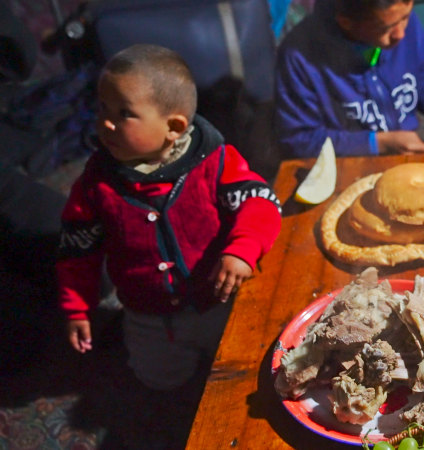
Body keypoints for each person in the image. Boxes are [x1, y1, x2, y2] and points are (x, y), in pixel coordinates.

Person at [56, 44, 282, 393]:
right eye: (102, 107)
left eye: (124, 113)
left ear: (174, 127)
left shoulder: (215, 162)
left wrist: (243, 249)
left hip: (218, 299)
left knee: (246, 366)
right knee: (161, 380)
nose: (105, 122)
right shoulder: (95, 184)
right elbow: (77, 250)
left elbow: (261, 201)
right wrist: (77, 308)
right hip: (148, 316)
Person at [274, 0, 424, 157]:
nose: (401, 34)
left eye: (406, 17)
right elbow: (298, 139)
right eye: (385, 28)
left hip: (405, 151)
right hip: (347, 164)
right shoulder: (299, 57)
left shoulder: (400, 20)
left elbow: (422, 73)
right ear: (346, 22)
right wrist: (377, 143)